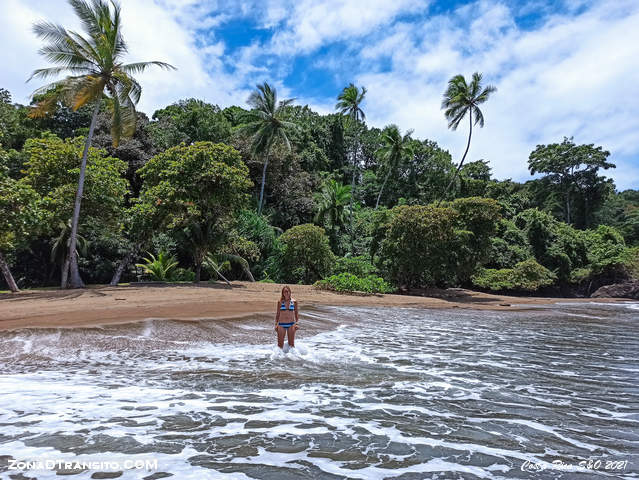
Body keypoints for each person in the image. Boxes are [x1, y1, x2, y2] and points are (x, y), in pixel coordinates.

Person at [274, 285, 299, 349]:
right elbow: (278, 314)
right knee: (280, 345)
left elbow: (296, 314)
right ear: (282, 293)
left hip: (291, 324)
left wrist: (297, 324)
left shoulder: (294, 302)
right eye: (284, 292)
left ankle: (292, 357)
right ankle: (279, 357)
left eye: (287, 291)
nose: (286, 293)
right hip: (281, 325)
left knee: (291, 345)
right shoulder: (280, 302)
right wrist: (276, 324)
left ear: (290, 292)